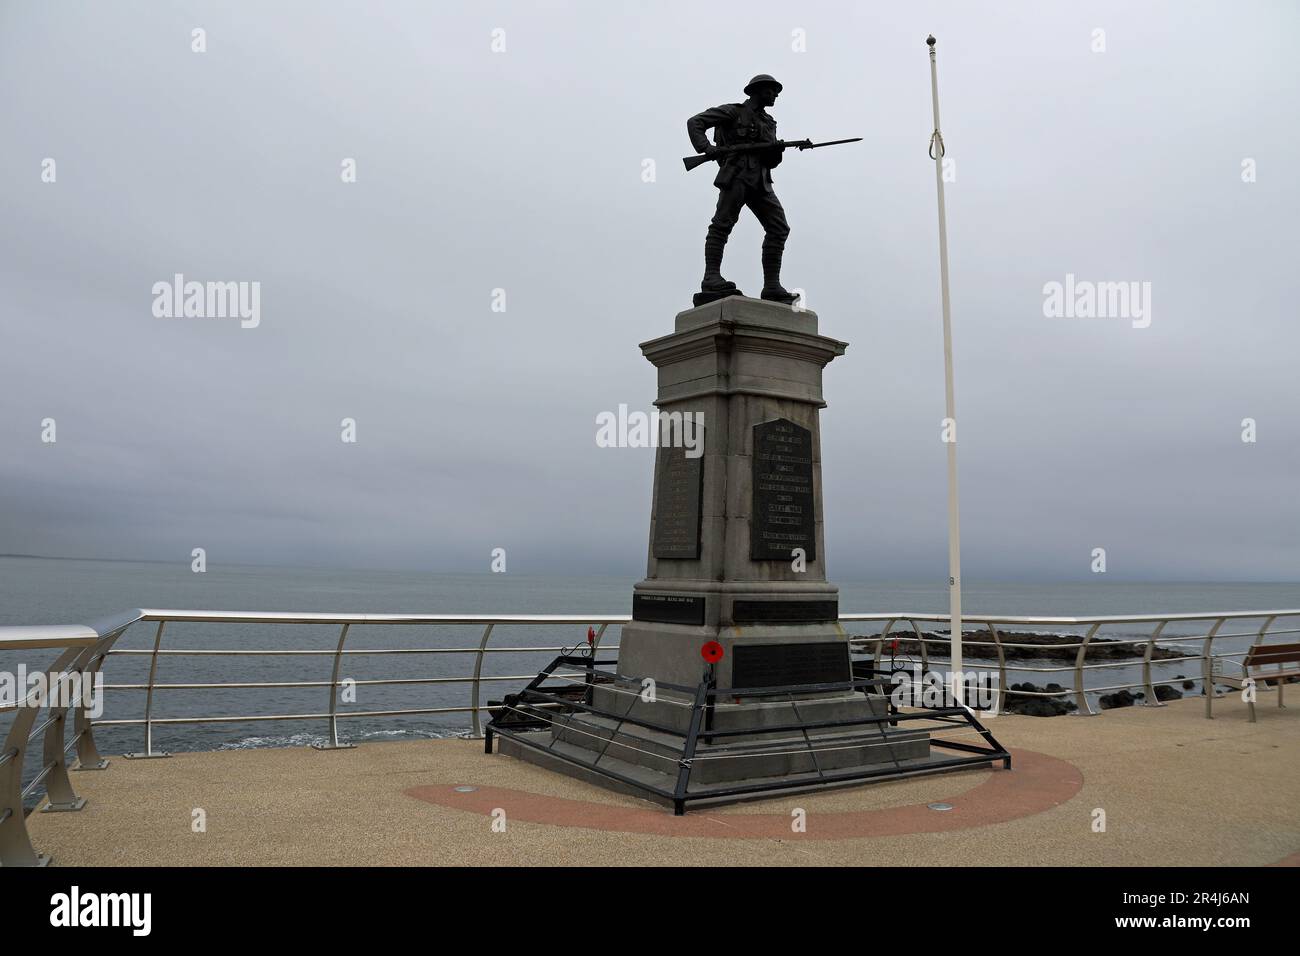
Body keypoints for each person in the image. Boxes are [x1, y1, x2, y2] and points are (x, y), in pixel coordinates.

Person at [686, 74, 798, 305]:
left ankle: (772, 286)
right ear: (757, 91)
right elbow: (695, 122)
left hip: (761, 180)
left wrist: (776, 150)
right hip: (737, 175)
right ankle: (711, 278)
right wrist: (706, 147)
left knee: (779, 228)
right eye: (771, 90)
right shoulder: (732, 112)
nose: (776, 95)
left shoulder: (769, 122)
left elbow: (771, 161)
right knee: (722, 224)